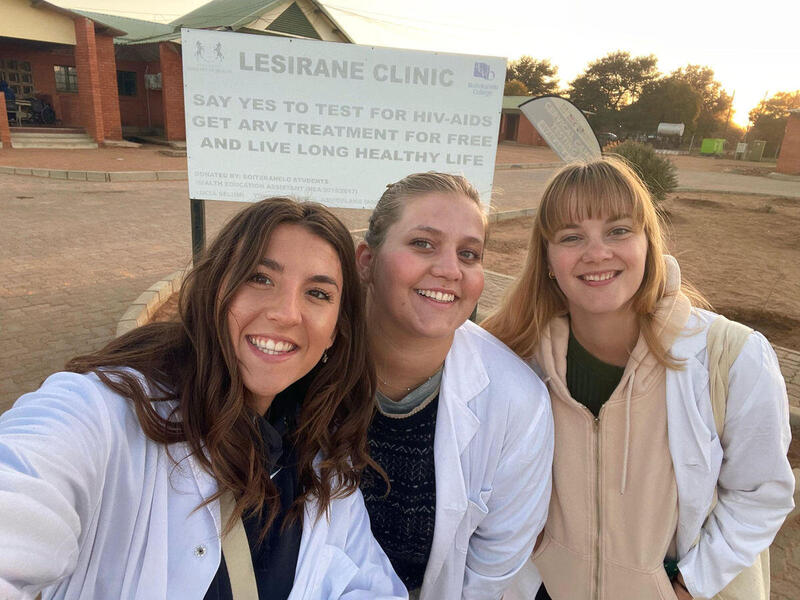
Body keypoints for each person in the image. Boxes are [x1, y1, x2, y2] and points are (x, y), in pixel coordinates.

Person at [0, 198, 407, 600]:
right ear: (217, 290)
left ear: (335, 331)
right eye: (260, 278)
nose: (286, 313)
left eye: (317, 293)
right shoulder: (106, 412)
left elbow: (367, 584)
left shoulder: (320, 460)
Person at [483, 157, 794, 599]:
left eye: (618, 230)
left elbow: (761, 492)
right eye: (572, 237)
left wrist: (690, 584)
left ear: (649, 241)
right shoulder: (518, 356)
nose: (597, 253)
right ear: (548, 260)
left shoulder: (730, 357)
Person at [355, 172, 554, 599]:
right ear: (367, 260)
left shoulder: (517, 401)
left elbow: (495, 563)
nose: (449, 270)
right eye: (422, 243)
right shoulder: (305, 365)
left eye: (469, 254)